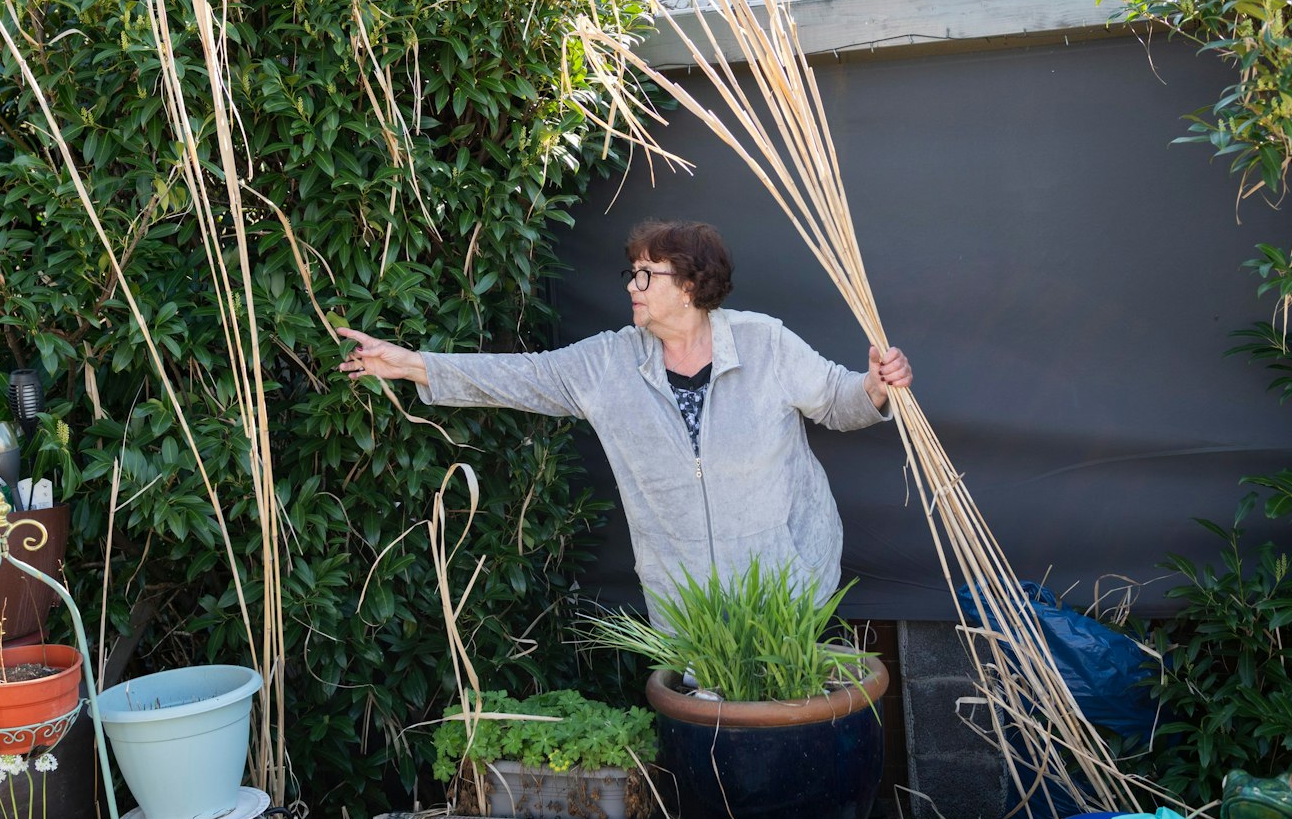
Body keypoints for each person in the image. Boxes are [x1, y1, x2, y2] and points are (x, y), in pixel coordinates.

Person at [337, 220, 912, 623]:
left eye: (646, 275)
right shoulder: (609, 362)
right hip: (688, 606)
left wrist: (875, 384)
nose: (631, 287)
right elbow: (522, 376)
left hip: (789, 589)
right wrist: (414, 365)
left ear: (688, 285)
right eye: (631, 274)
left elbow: (841, 402)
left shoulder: (764, 343)